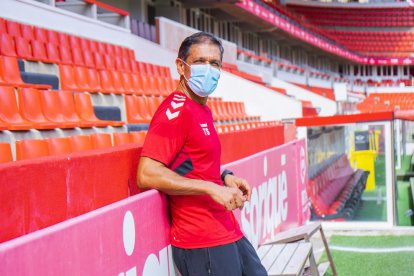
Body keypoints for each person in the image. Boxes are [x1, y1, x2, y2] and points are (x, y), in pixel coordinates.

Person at [137, 32, 267, 276]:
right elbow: (147, 173)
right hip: (201, 241)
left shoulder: (201, 108)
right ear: (180, 66)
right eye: (200, 62)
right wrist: (211, 188)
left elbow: (187, 165)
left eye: (215, 64)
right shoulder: (175, 111)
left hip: (226, 228)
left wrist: (225, 177)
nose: (208, 69)